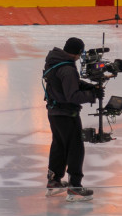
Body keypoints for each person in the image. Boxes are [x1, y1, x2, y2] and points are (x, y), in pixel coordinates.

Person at [43, 37, 101, 201]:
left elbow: (64, 83)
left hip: (54, 112)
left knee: (59, 145)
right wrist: (92, 95)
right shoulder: (68, 69)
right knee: (75, 148)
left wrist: (86, 86)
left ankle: (54, 181)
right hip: (67, 114)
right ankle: (75, 186)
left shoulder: (56, 61)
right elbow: (72, 96)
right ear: (78, 52)